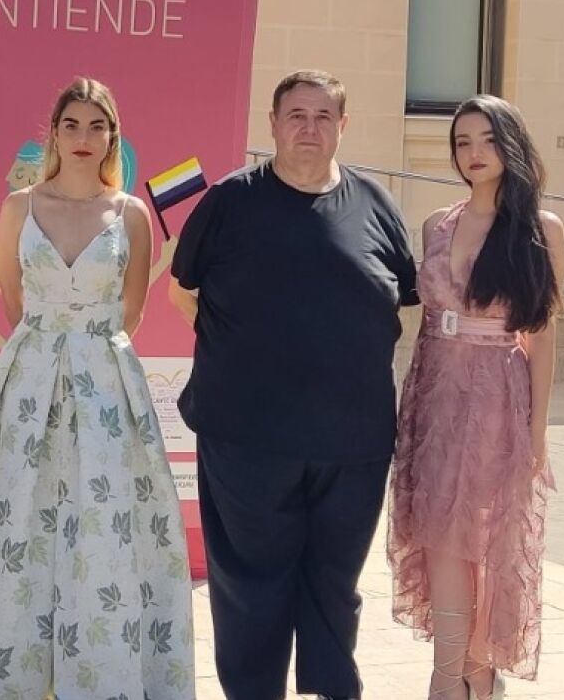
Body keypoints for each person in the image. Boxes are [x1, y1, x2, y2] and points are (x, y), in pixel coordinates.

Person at [0, 78, 194, 700]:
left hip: (108, 387)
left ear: (112, 136)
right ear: (55, 133)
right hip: (29, 379)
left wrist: (86, 352)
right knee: (21, 516)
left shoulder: (131, 214)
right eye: (72, 124)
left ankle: (101, 674)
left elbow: (131, 312)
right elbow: (14, 302)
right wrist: (51, 351)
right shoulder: (19, 207)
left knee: (103, 524)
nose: (84, 137)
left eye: (97, 126)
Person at [169, 69, 419, 700]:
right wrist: (245, 351)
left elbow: (404, 301)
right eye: (297, 115)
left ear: (343, 125)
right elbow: (182, 291)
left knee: (334, 583)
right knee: (250, 586)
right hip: (247, 438)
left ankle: (335, 690)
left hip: (354, 442)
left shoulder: (375, 203)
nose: (310, 127)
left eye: (323, 115)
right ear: (274, 124)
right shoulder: (230, 201)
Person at [390, 96, 564, 700]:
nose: (474, 153)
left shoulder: (541, 229)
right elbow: (424, 325)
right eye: (462, 142)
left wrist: (537, 432)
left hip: (497, 397)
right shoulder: (436, 224)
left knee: (484, 539)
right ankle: (459, 678)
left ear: (511, 144)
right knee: (441, 534)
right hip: (436, 391)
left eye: (487, 139)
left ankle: (467, 677)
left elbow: (543, 337)